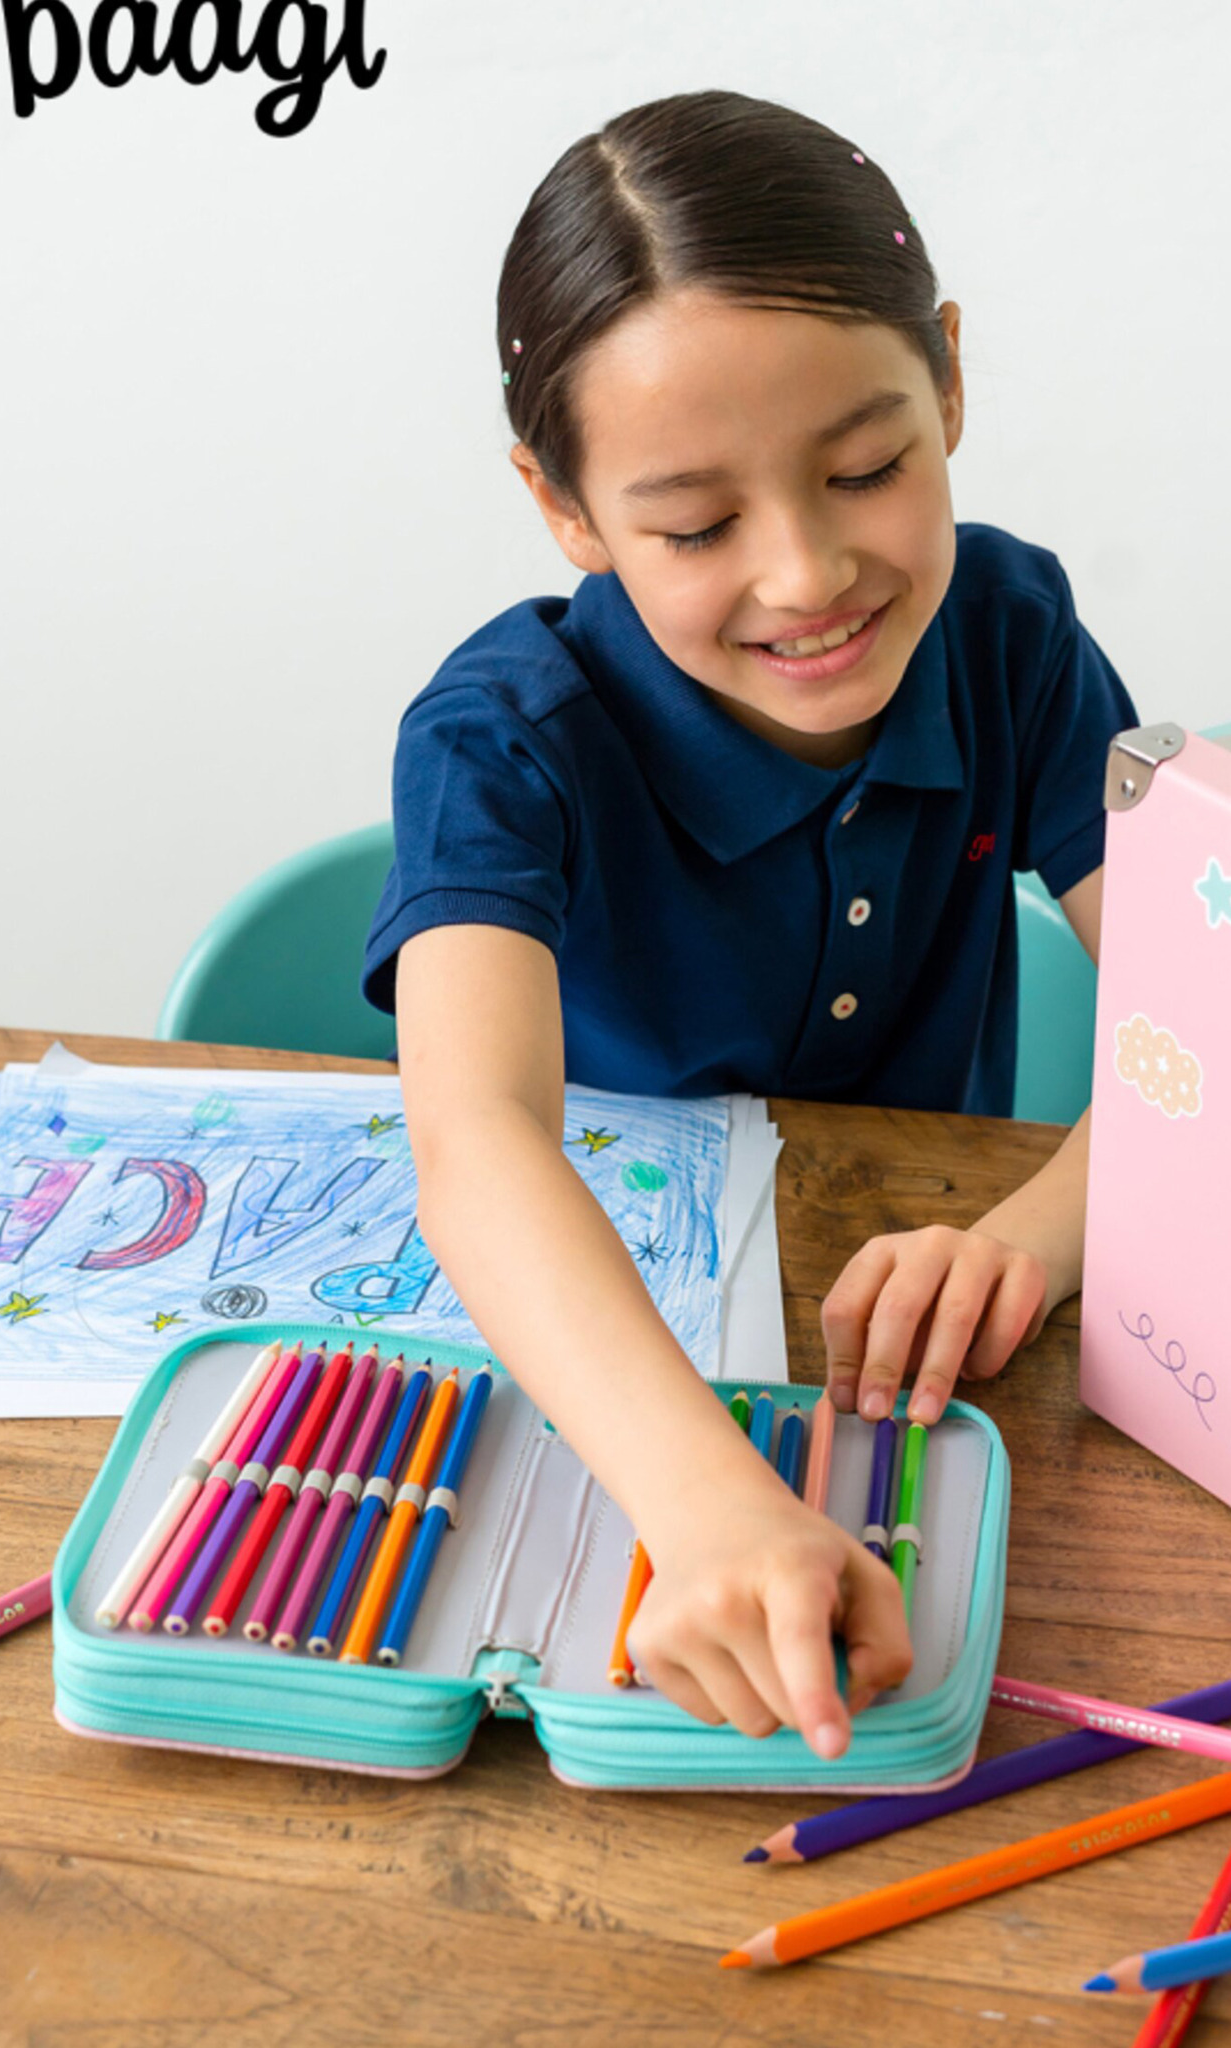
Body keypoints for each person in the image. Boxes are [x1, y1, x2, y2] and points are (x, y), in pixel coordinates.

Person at [362, 87, 1137, 1761]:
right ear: (566, 509)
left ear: (948, 380)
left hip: (918, 1374)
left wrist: (1033, 1236)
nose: (805, 575)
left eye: (867, 470)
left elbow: (1217, 1027)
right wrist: (707, 1503)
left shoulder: (1009, 635)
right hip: (599, 1391)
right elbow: (474, 1140)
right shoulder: (501, 740)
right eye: (698, 527)